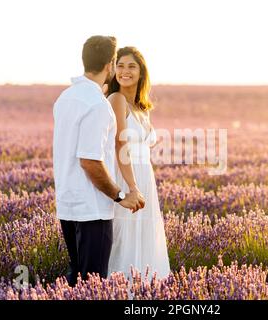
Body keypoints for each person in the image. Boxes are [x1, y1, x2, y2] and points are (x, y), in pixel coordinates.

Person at [52, 36, 145, 287]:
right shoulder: (97, 105)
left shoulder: (65, 98)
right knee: (94, 284)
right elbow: (90, 161)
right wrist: (119, 196)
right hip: (92, 208)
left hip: (68, 203)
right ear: (110, 65)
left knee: (78, 281)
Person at [107, 47, 171, 280]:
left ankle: (145, 291)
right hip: (126, 177)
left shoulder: (142, 109)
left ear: (142, 72)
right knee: (123, 240)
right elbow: (119, 145)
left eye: (131, 66)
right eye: (120, 66)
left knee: (143, 239)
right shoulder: (116, 99)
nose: (125, 71)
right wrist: (132, 187)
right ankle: (119, 292)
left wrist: (140, 185)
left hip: (145, 179)